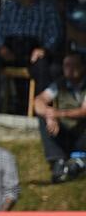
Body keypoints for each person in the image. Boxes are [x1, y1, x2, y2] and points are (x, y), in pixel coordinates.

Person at [0, 0, 61, 114]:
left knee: (43, 68)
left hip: (34, 49)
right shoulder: (9, 7)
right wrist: (1, 48)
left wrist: (44, 49)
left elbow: (55, 33)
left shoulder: (47, 9)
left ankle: (40, 112)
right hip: (10, 47)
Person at [33, 52, 86, 183]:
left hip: (82, 133)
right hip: (65, 131)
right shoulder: (59, 84)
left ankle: (79, 159)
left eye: (73, 65)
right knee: (42, 118)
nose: (69, 69)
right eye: (66, 65)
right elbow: (39, 101)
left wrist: (58, 114)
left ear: (82, 67)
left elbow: (84, 111)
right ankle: (58, 160)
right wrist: (48, 115)